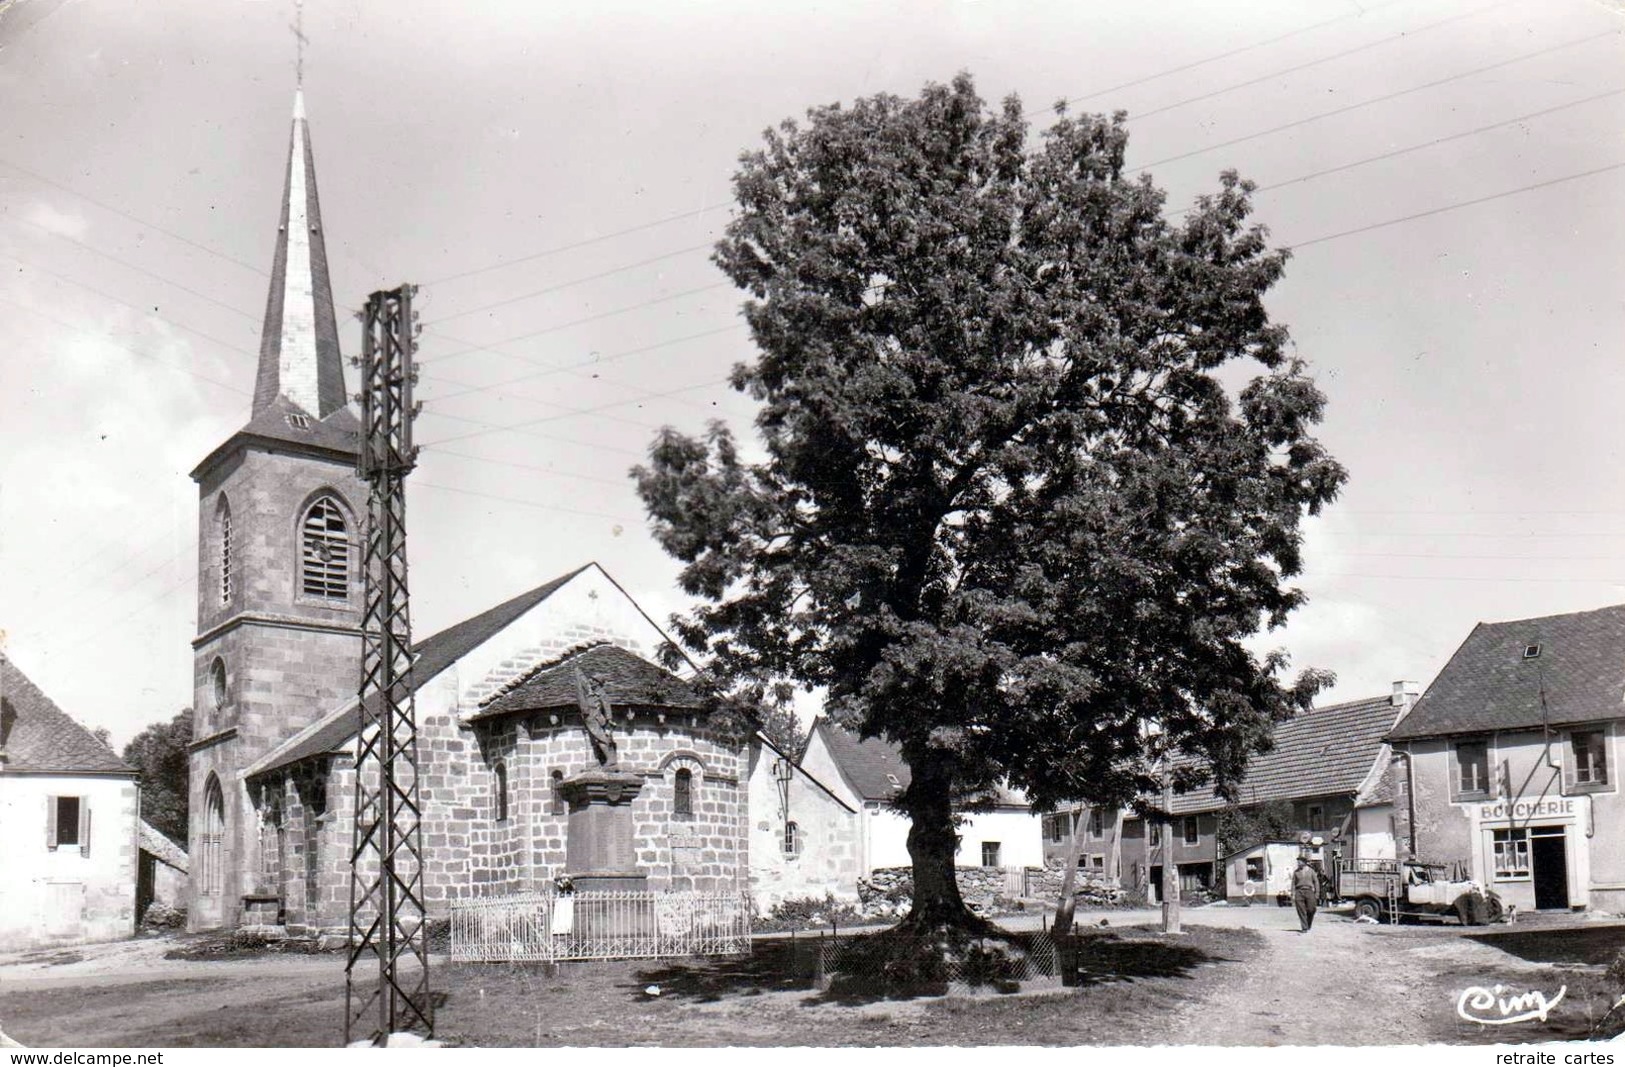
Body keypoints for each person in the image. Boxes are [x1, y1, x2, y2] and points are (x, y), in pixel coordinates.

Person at [1291, 856, 1320, 932]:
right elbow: (1293, 883)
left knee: (1311, 909)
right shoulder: (1296, 872)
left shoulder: (1311, 871)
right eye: (1298, 862)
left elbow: (1316, 882)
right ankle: (1304, 927)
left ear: (1304, 862)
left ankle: (1308, 923)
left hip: (1309, 891)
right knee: (1301, 910)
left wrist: (1317, 893)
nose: (1298, 863)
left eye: (1299, 862)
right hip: (1299, 891)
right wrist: (1293, 894)